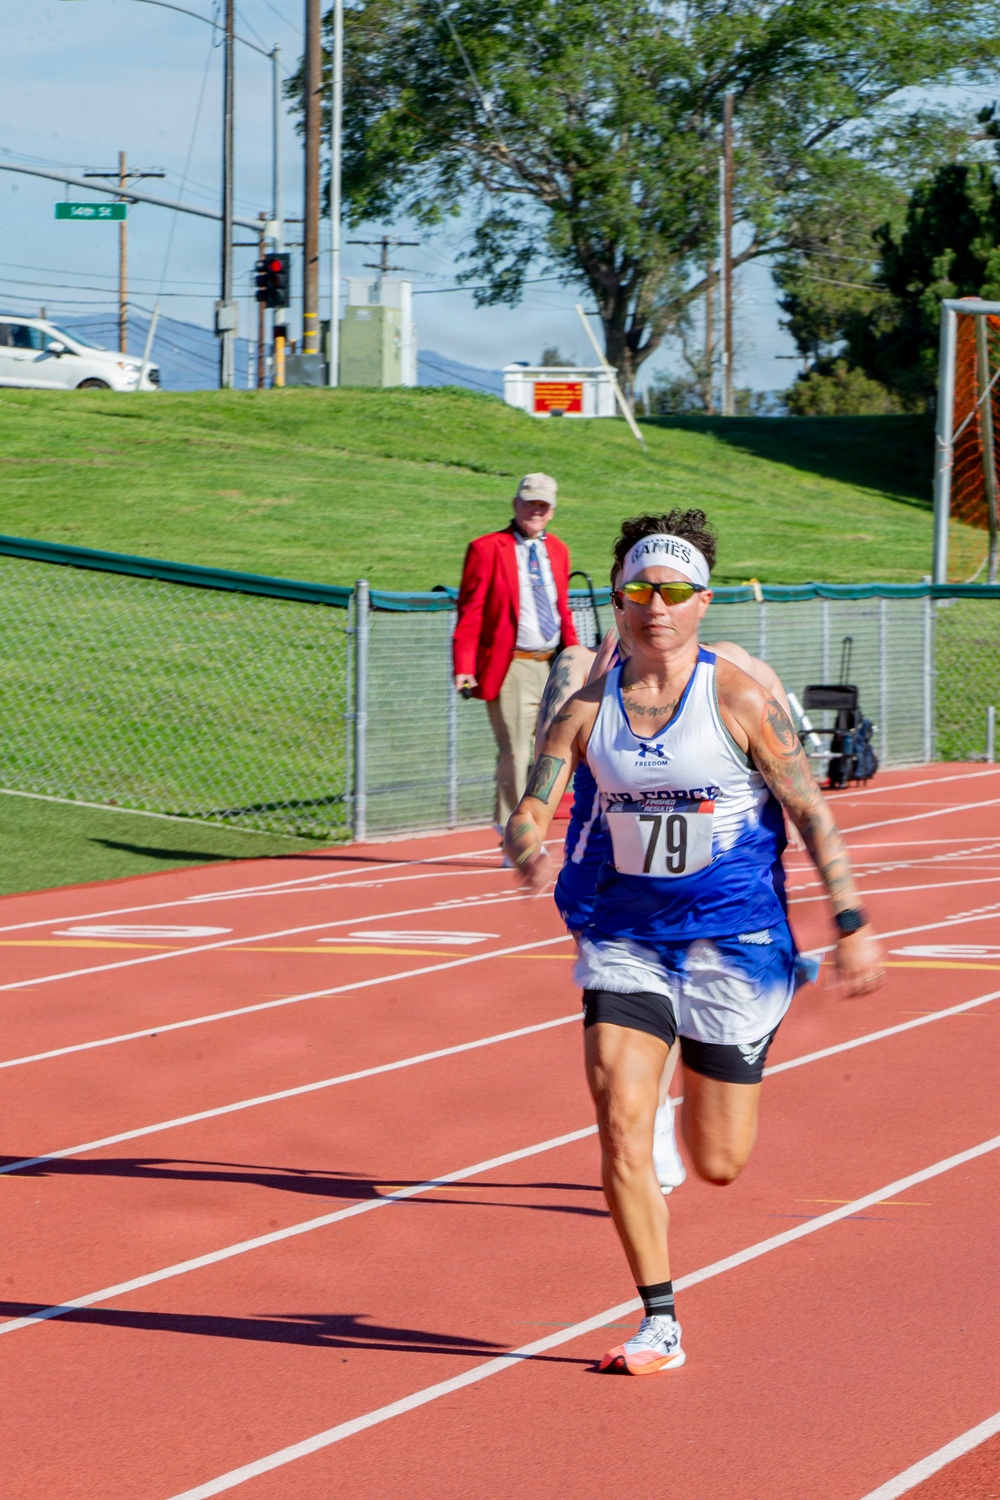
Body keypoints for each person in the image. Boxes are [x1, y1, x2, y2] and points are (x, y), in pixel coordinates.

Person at [505, 509, 884, 1376]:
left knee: (718, 1162)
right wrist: (524, 833)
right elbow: (537, 798)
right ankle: (659, 1322)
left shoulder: (741, 700)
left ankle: (734, 1038)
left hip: (735, 943)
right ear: (619, 598)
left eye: (673, 591)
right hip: (625, 935)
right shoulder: (586, 709)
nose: (655, 606)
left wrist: (851, 921)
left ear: (702, 602)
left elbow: (811, 812)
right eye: (639, 589)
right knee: (620, 1125)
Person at [534, 613, 803, 1200]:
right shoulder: (583, 668)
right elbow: (546, 762)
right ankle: (652, 1119)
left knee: (681, 997)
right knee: (642, 998)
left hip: (700, 879)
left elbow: (779, 719)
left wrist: (790, 802)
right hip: (605, 869)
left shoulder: (729, 669)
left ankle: (671, 1096)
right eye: (637, 590)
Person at [453, 473, 579, 831]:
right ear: (515, 504)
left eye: (542, 505)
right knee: (516, 751)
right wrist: (464, 665)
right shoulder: (487, 548)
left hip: (553, 665)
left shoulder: (558, 550)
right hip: (511, 666)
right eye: (529, 503)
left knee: (549, 753)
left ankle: (535, 821)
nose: (535, 511)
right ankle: (513, 829)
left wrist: (576, 658)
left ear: (551, 510)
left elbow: (561, 609)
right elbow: (470, 611)